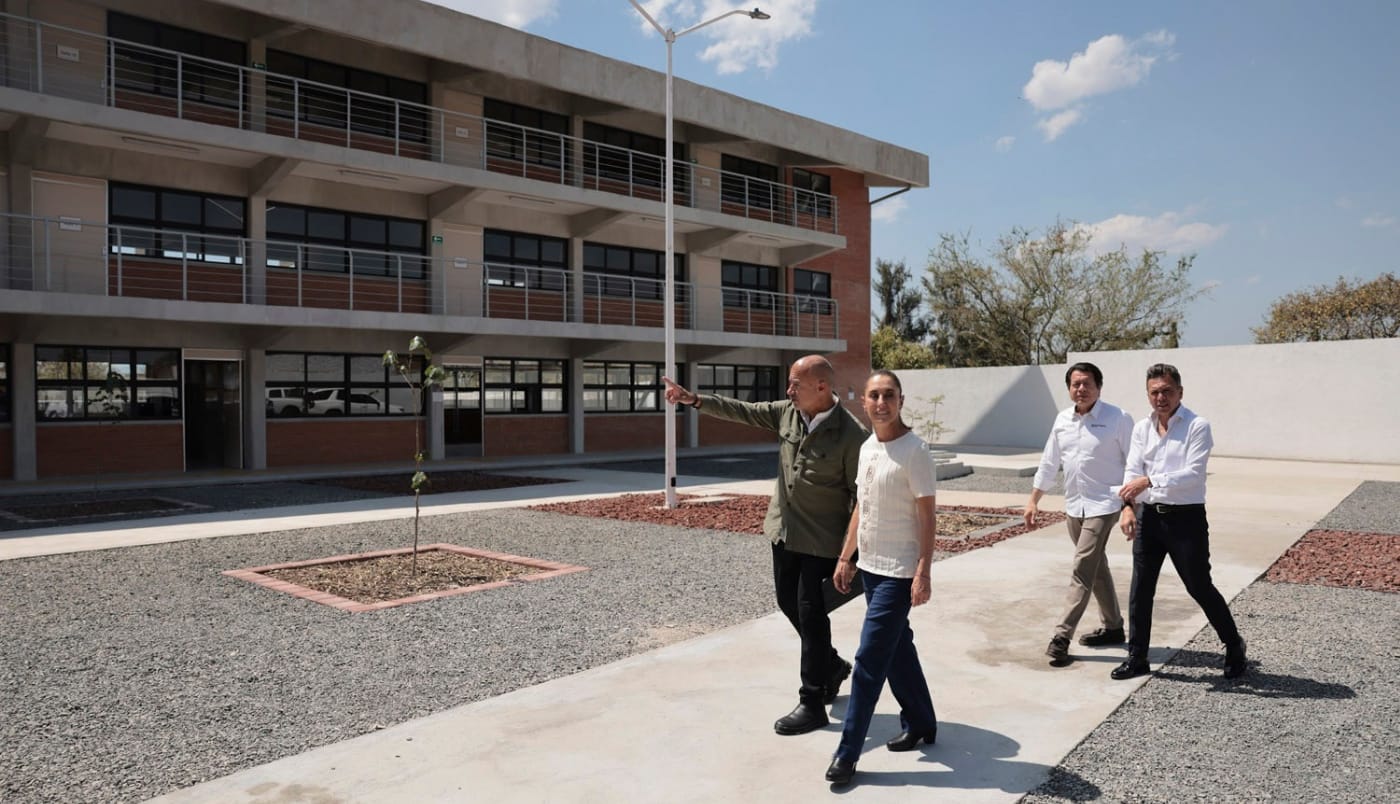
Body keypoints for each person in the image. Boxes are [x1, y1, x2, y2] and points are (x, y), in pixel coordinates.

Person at [662, 355, 867, 735]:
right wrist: (694, 400)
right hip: (783, 532)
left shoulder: (852, 436)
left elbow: (862, 500)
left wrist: (848, 556)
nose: (788, 391)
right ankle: (833, 667)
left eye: (795, 385)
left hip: (821, 542)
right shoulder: (787, 413)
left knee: (811, 613)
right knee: (788, 603)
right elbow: (744, 410)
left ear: (821, 387)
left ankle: (812, 700)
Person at [824, 369, 938, 786]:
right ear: (864, 402)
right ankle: (923, 721)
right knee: (898, 647)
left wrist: (923, 570)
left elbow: (928, 515)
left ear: (901, 401)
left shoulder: (915, 451)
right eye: (874, 395)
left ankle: (848, 752)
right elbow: (862, 506)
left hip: (899, 571)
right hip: (870, 567)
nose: (881, 402)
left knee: (870, 659)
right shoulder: (868, 446)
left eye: (889, 395)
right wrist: (845, 556)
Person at [1112, 363, 1247, 680]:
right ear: (1148, 394)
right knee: (1140, 590)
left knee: (1199, 586)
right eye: (1154, 392)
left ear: (1180, 392)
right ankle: (1138, 658)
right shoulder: (1141, 429)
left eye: (1167, 391)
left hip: (1185, 521)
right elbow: (1131, 471)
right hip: (1149, 519)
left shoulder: (1197, 426)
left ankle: (1234, 644)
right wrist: (1127, 507)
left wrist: (1148, 481)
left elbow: (1192, 475)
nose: (1161, 397)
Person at [1025, 362, 1134, 667]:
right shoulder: (1062, 420)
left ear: (1099, 386)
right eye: (1075, 384)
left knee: (1082, 568)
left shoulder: (1118, 418)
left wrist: (1129, 505)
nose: (1081, 389)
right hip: (1075, 505)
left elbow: (1134, 463)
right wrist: (1034, 500)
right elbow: (1049, 462)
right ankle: (1113, 627)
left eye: (1086, 383)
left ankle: (1061, 637)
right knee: (1096, 567)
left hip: (1105, 504)